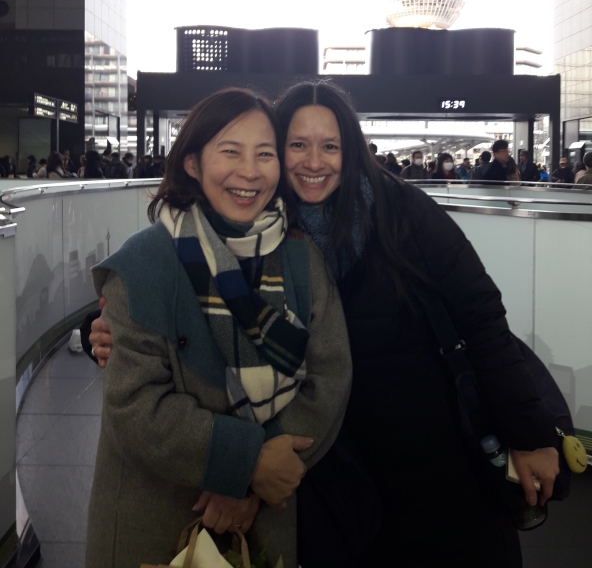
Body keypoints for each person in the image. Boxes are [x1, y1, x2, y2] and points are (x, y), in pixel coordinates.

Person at [90, 81, 560, 568]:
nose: (313, 162)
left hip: (427, 457)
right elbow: (157, 304)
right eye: (296, 145)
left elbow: (481, 316)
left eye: (330, 146)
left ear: (350, 151)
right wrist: (104, 331)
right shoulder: (266, 228)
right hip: (330, 475)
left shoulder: (396, 213)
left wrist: (529, 432)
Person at [85, 88, 351, 568]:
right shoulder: (145, 262)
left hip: (263, 516)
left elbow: (329, 378)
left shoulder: (300, 258)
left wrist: (261, 477)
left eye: (265, 154)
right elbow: (135, 404)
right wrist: (248, 462)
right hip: (157, 513)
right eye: (230, 151)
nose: (250, 172)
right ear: (192, 163)